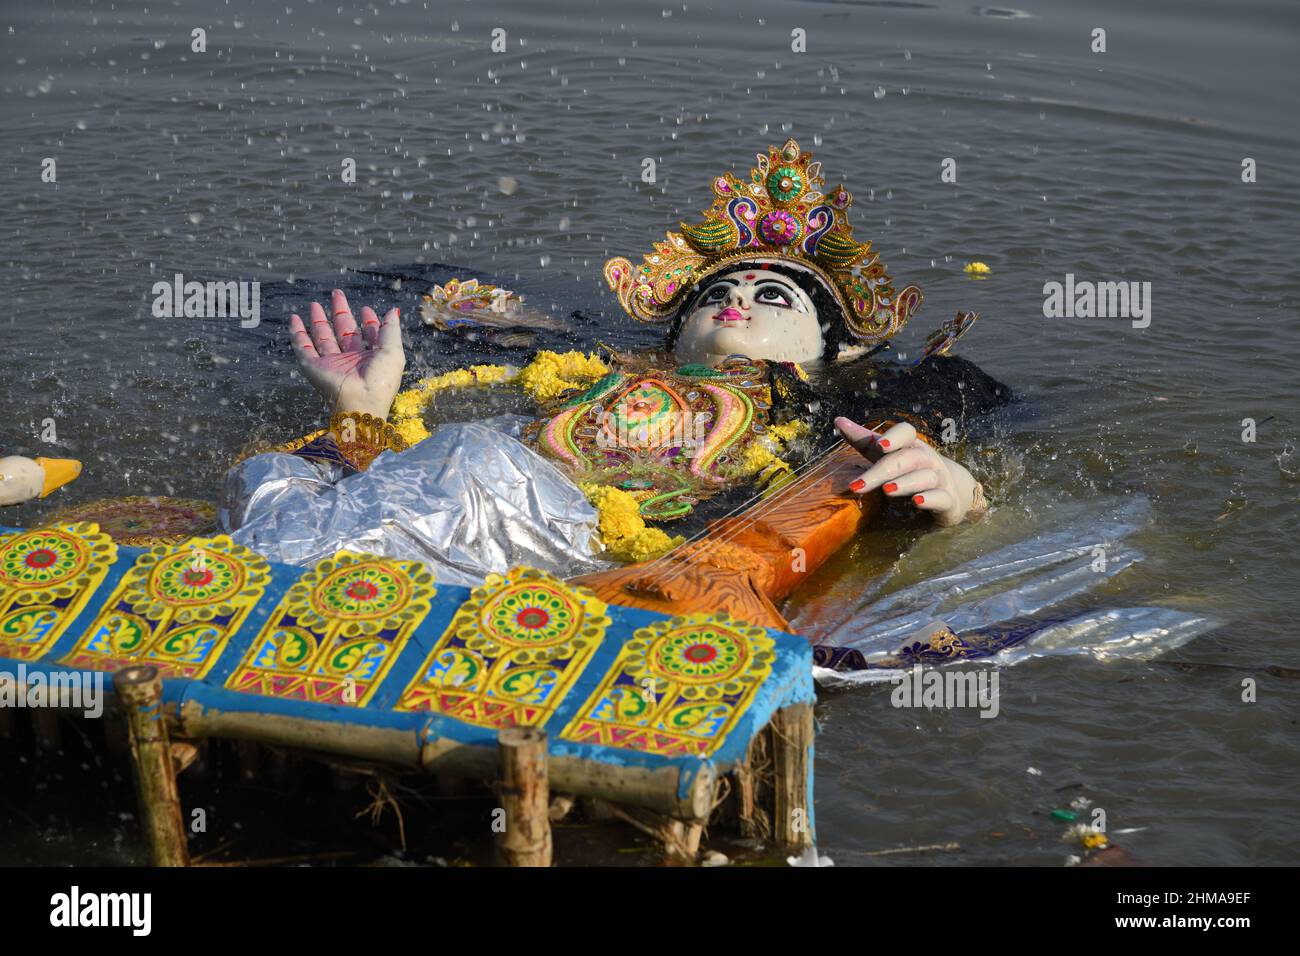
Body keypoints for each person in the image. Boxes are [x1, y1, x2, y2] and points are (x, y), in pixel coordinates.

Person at [222, 138, 1007, 582]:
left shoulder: (830, 413)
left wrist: (962, 493)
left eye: (774, 298)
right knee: (265, 484)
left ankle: (271, 582)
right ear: (673, 332)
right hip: (475, 480)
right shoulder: (588, 369)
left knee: (324, 539)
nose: (735, 303)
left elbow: (957, 430)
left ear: (832, 348)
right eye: (718, 293)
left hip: (580, 538)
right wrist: (362, 409)